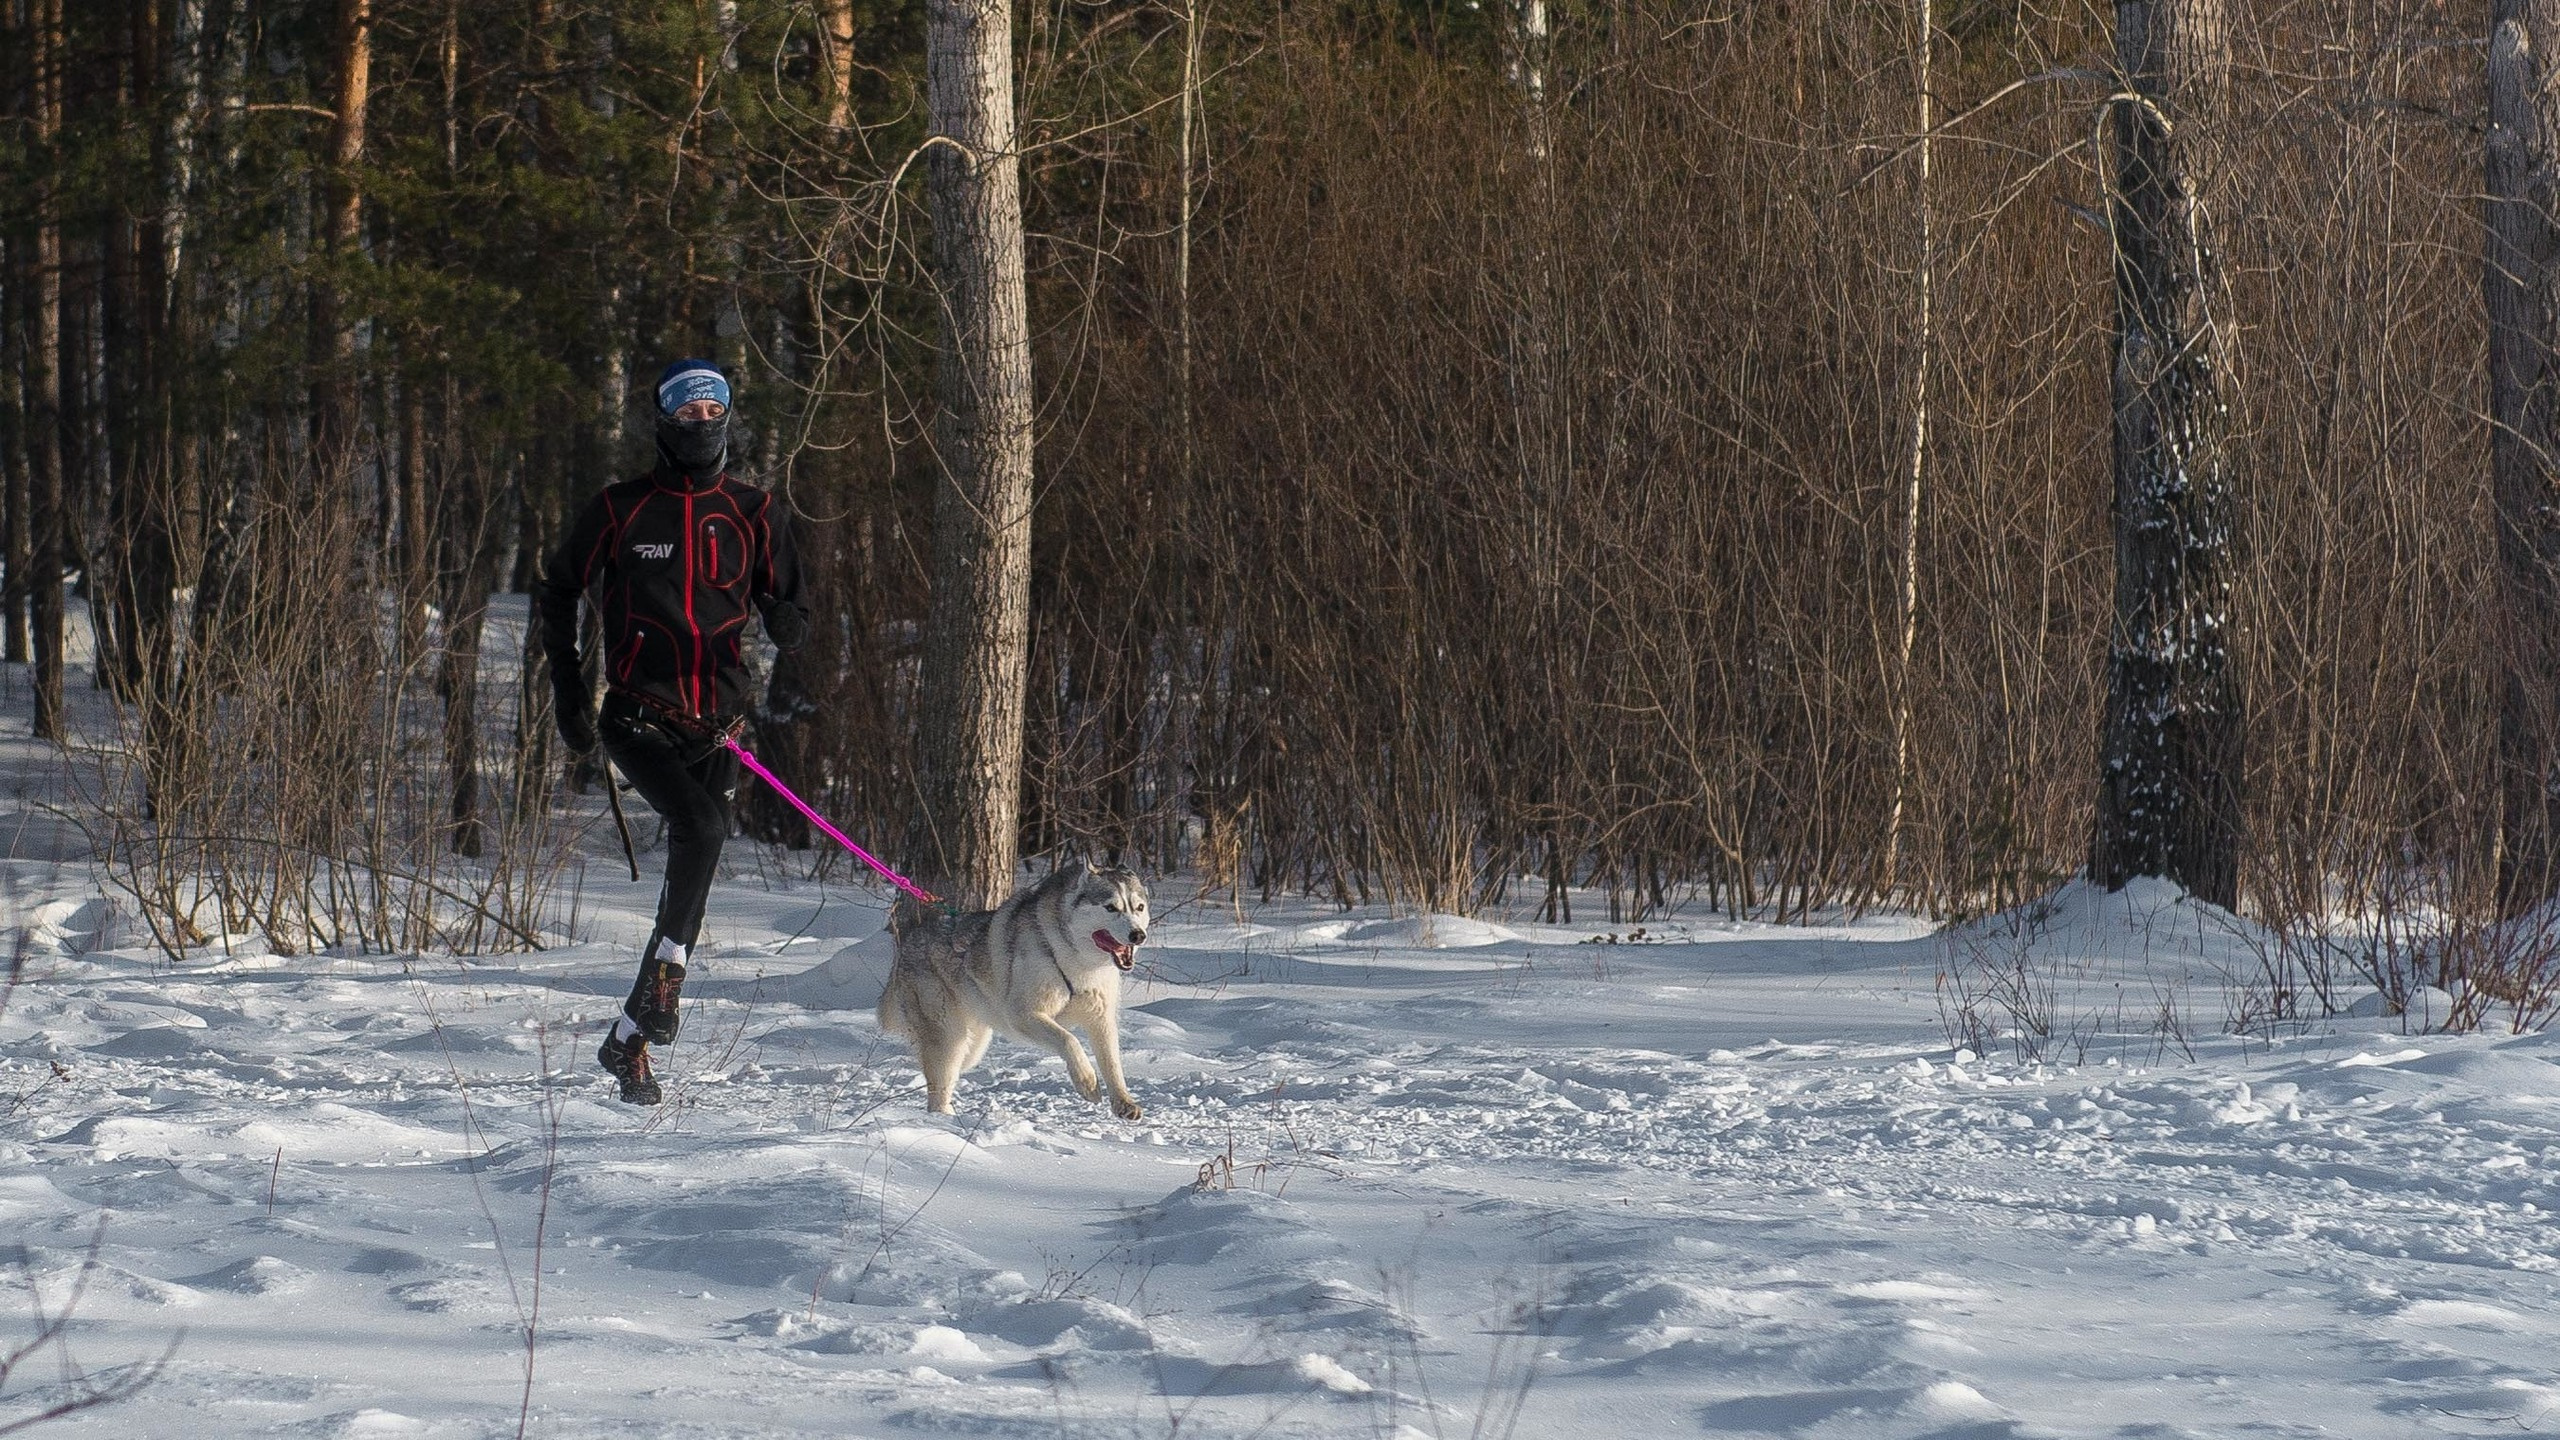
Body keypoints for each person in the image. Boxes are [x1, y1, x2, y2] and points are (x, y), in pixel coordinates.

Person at [538, 358, 810, 1105]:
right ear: (662, 420)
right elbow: (557, 587)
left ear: (728, 419)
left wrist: (791, 625)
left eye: (712, 410)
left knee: (690, 878)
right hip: (636, 714)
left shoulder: (755, 510)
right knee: (704, 828)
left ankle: (629, 1041)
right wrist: (567, 685)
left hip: (717, 726)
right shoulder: (621, 507)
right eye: (685, 412)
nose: (699, 422)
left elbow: (794, 609)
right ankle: (659, 1002)